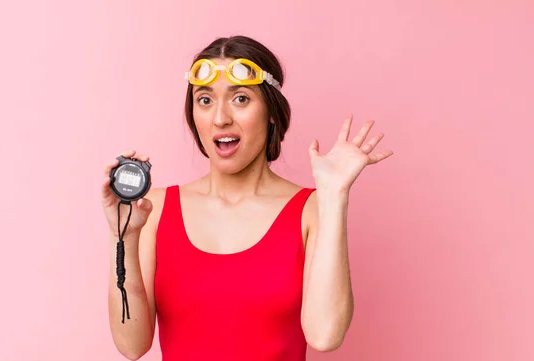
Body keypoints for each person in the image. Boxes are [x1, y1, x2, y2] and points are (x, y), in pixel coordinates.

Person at [101, 35, 393, 361]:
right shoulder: (152, 210)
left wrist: (334, 194)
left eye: (240, 99)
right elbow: (131, 344)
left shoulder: (311, 210)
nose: (221, 117)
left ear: (271, 111)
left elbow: (325, 335)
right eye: (205, 100)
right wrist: (122, 237)